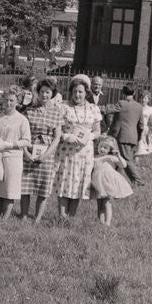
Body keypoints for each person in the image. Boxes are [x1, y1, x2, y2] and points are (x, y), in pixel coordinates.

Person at [56, 74, 102, 219]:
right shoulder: (63, 108)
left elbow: (97, 131)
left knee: (77, 184)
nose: (77, 95)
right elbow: (56, 129)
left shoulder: (93, 109)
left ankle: (71, 217)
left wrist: (90, 137)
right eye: (75, 91)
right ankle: (62, 217)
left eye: (80, 92)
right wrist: (66, 136)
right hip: (66, 152)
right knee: (64, 182)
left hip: (84, 153)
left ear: (86, 93)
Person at [19, 78, 65, 223]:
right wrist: (26, 153)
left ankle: (37, 219)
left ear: (52, 94)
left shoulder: (57, 112)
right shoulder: (29, 111)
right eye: (42, 92)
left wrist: (46, 155)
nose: (44, 95)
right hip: (30, 150)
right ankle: (24, 216)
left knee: (43, 188)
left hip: (47, 153)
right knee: (25, 186)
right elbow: (22, 134)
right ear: (38, 93)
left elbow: (57, 137)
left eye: (48, 92)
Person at [0, 86, 31, 220]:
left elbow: (26, 141)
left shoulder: (22, 120)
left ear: (18, 101)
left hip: (13, 158)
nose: (9, 103)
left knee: (10, 189)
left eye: (12, 100)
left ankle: (4, 220)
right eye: (6, 100)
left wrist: (10, 144)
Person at [90, 135, 134, 226]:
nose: (102, 149)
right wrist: (104, 158)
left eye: (105, 147)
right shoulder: (96, 157)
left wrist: (118, 155)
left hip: (108, 182)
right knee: (99, 203)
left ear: (110, 149)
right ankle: (100, 222)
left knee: (107, 202)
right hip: (98, 182)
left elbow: (124, 165)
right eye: (101, 146)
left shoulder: (111, 157)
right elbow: (93, 162)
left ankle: (107, 222)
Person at [112, 84, 144, 186]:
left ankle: (138, 181)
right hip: (133, 137)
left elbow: (110, 110)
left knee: (126, 160)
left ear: (123, 93)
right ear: (134, 93)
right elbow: (141, 125)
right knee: (120, 160)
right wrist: (138, 137)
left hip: (122, 136)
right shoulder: (139, 106)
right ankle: (116, 181)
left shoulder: (121, 103)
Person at [137, 90, 152, 157]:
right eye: (142, 98)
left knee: (144, 148)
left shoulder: (150, 109)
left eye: (145, 98)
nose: (143, 100)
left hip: (144, 129)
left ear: (148, 99)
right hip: (136, 127)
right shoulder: (137, 107)